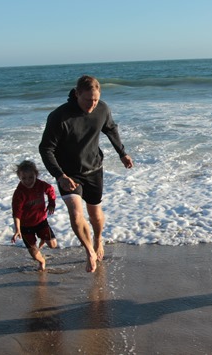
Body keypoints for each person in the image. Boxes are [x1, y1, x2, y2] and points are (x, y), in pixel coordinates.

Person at [39, 75, 134, 273]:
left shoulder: (102, 109)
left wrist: (122, 153)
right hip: (68, 174)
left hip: (93, 169)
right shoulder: (59, 117)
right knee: (75, 213)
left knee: (96, 215)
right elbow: (45, 149)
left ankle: (98, 239)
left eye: (95, 100)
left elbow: (111, 129)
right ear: (77, 94)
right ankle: (89, 250)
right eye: (87, 100)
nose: (92, 105)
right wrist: (59, 175)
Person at [11, 160, 57, 271]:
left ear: (36, 174)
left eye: (31, 177)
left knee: (53, 245)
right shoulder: (19, 193)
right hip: (25, 226)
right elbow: (16, 214)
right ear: (19, 178)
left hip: (41, 221)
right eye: (24, 178)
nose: (28, 181)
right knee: (34, 253)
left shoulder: (40, 185)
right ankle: (42, 261)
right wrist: (17, 230)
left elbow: (50, 190)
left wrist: (52, 203)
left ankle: (42, 238)